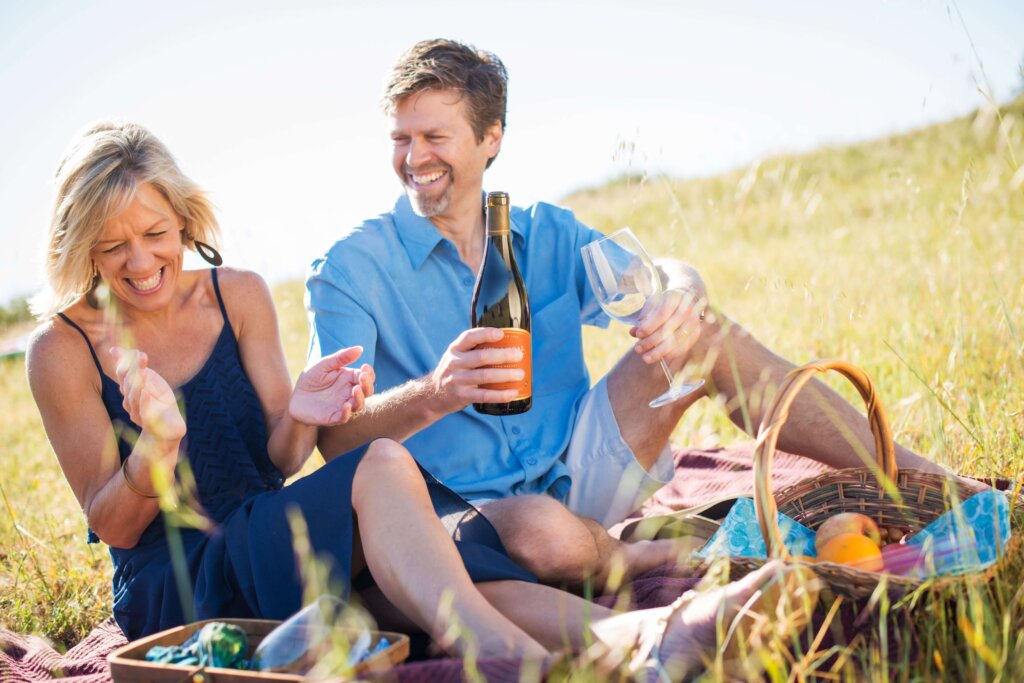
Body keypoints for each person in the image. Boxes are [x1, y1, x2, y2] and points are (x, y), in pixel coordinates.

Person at [26, 120, 816, 677]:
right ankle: (524, 666)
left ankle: (653, 638)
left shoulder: (238, 295)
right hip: (181, 577)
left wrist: (301, 413)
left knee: (457, 569)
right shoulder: (62, 348)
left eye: (156, 232)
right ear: (81, 248)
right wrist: (157, 448)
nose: (141, 261)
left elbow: (278, 461)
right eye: (112, 245)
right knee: (380, 466)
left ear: (182, 216)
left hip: (272, 540)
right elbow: (113, 521)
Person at [305, 38, 951, 590]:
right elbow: (333, 440)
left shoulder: (546, 233)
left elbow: (657, 276)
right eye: (401, 138)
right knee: (542, 534)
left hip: (584, 466)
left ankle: (930, 486)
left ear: (490, 138)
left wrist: (681, 290)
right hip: (474, 514)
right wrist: (435, 394)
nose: (414, 158)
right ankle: (634, 552)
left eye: (434, 137)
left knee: (704, 333)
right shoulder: (348, 270)